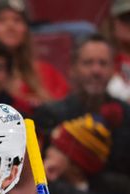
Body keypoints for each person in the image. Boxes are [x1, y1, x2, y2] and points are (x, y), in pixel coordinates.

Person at [34, 33, 130, 176]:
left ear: (112, 70)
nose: (96, 71)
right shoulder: (50, 114)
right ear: (72, 69)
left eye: (103, 63)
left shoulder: (126, 114)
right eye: (88, 63)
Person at [0, 0, 68, 107]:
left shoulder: (45, 72)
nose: (10, 26)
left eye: (17, 20)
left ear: (26, 30)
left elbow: (64, 110)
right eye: (1, 20)